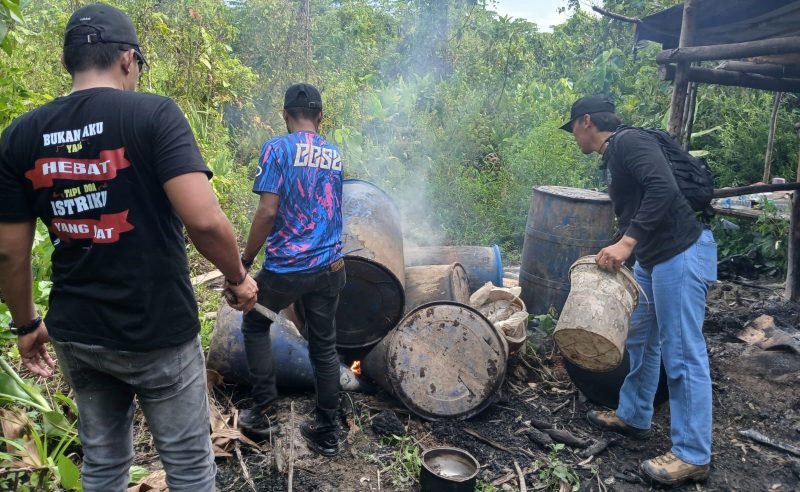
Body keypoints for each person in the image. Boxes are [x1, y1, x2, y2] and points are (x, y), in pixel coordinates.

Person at [0, 4, 258, 491]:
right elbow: (203, 220)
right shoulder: (154, 114)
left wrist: (27, 324)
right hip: (158, 329)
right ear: (126, 59)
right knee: (189, 468)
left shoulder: (21, 136)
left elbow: (9, 254)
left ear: (68, 62)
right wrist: (239, 278)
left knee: (102, 463)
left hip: (78, 331)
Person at [561, 95, 717, 486]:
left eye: (573, 129)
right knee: (640, 338)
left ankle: (693, 453)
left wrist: (627, 244)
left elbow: (663, 189)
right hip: (652, 258)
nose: (574, 138)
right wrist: (620, 244)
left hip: (679, 254)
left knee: (682, 353)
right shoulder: (614, 155)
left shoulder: (629, 143)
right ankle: (633, 415)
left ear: (586, 122)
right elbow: (638, 209)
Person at [239, 83, 345, 457]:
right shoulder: (334, 153)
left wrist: (246, 261)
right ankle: (328, 431)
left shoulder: (277, 149)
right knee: (324, 346)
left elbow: (268, 211)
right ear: (320, 117)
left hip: (287, 269)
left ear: (285, 115)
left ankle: (263, 413)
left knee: (254, 323)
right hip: (330, 265)